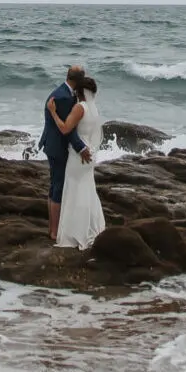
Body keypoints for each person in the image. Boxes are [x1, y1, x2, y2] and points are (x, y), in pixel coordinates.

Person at [41, 64, 94, 244]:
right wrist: (81, 148)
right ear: (78, 80)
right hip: (57, 147)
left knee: (54, 185)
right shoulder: (64, 97)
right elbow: (68, 129)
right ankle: (54, 231)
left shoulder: (64, 92)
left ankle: (52, 228)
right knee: (58, 187)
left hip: (54, 145)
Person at [54, 75, 107, 249]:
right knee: (87, 189)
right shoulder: (94, 108)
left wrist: (53, 112)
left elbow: (65, 128)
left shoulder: (80, 107)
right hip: (90, 152)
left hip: (78, 155)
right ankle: (91, 227)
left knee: (74, 189)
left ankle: (74, 232)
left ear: (80, 91)